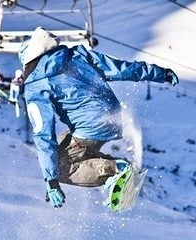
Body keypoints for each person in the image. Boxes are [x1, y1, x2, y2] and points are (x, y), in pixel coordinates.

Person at [17, 27, 179, 208]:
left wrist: (52, 180)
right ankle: (110, 166)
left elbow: (43, 133)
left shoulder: (36, 85)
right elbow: (120, 69)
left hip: (90, 127)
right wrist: (160, 73)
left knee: (60, 166)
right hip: (113, 119)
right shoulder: (77, 55)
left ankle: (115, 170)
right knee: (65, 142)